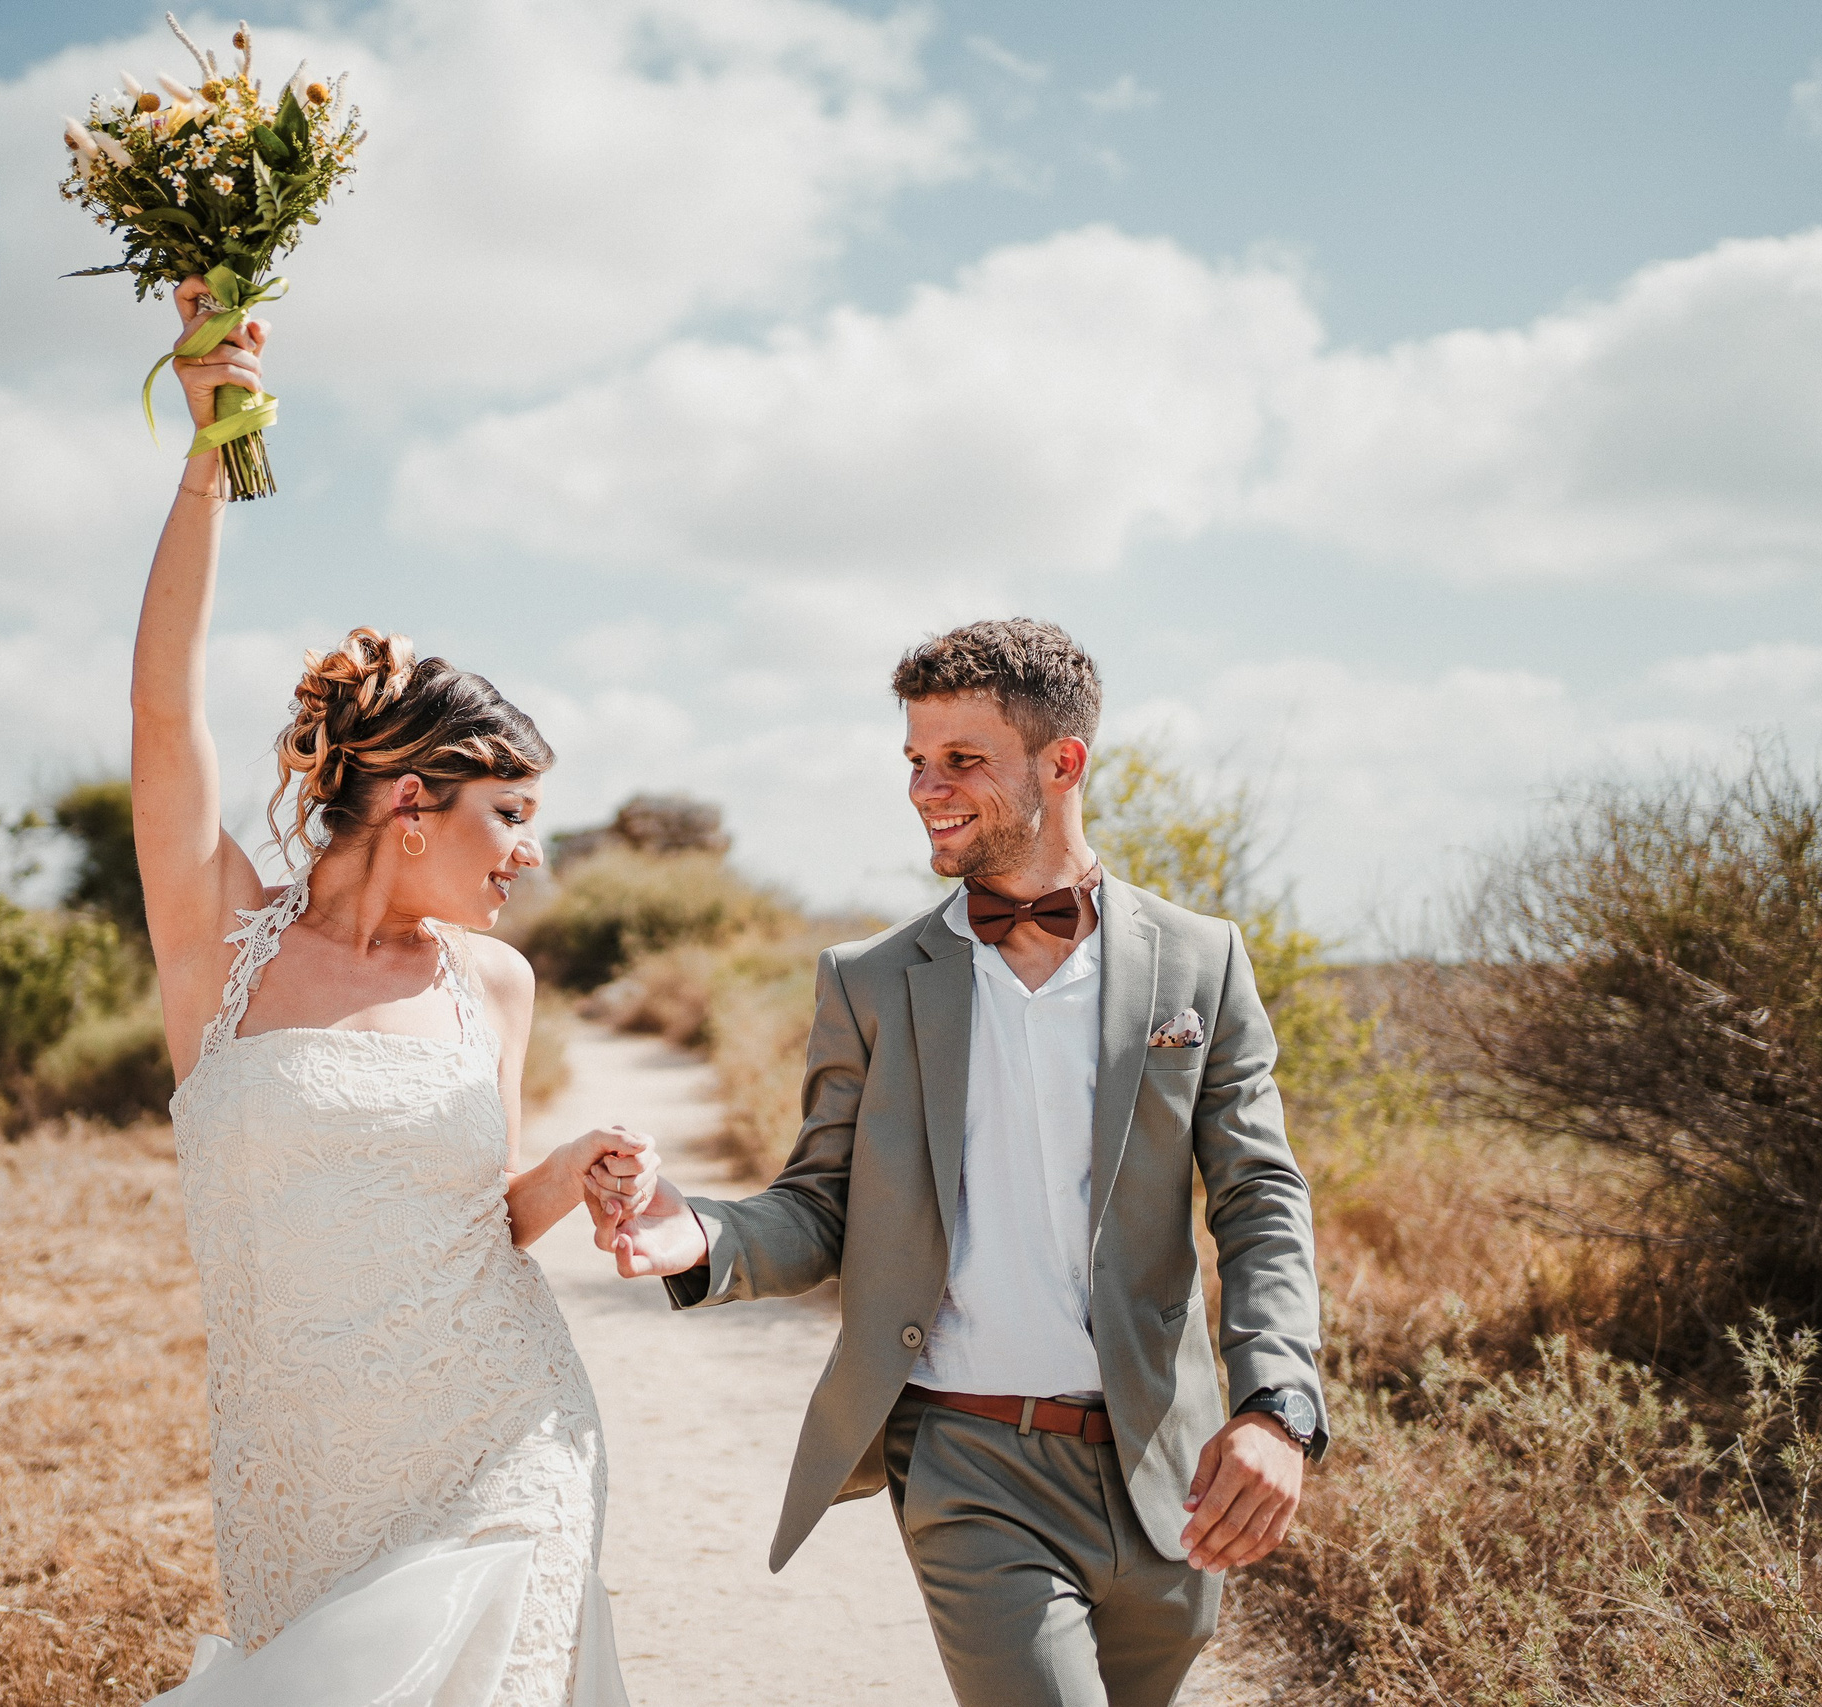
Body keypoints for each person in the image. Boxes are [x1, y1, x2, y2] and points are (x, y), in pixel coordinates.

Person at [586, 619, 1325, 1707]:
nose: (925, 787)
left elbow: (1260, 1197)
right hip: (968, 1464)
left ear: (1061, 763)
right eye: (915, 762)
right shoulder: (873, 981)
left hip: (1163, 1466)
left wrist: (1277, 1406)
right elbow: (822, 1203)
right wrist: (701, 1232)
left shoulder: (1199, 963)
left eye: (961, 760)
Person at [131, 278, 648, 1706]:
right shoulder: (218, 944)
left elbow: (490, 1217)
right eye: (513, 812)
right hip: (304, 1484)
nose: (532, 852)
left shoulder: (495, 979)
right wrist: (208, 451)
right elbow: (165, 714)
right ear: (412, 802)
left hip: (502, 1435)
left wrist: (572, 1165)